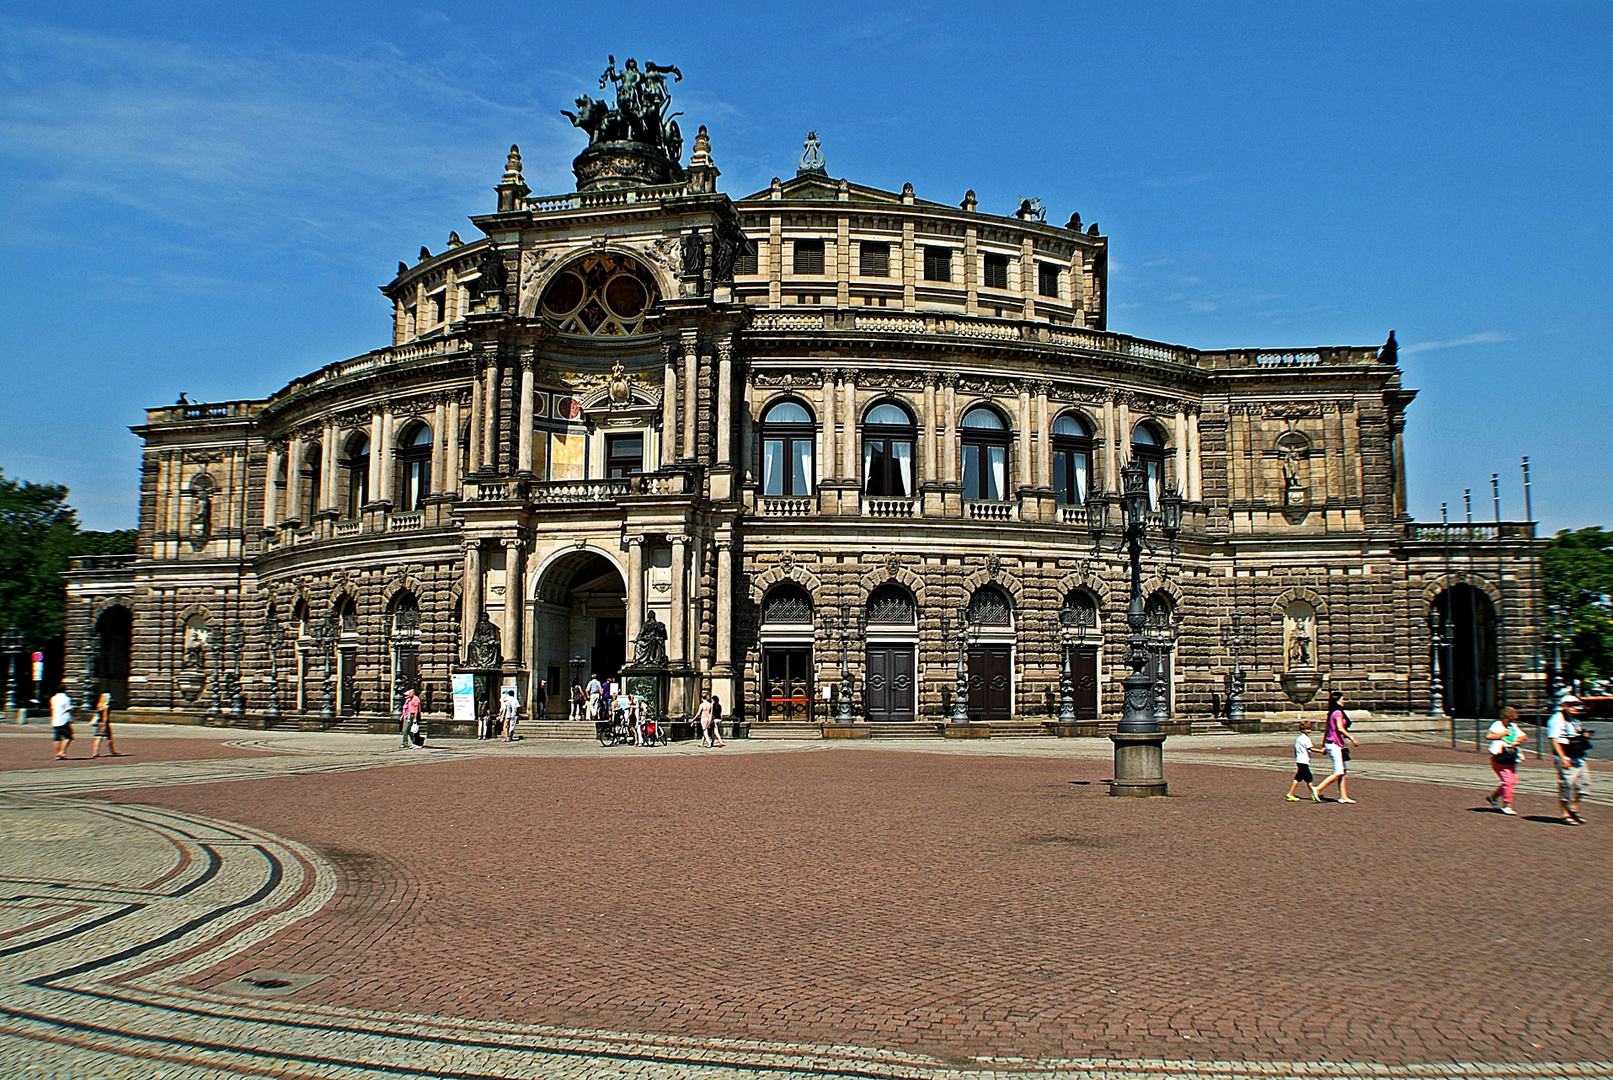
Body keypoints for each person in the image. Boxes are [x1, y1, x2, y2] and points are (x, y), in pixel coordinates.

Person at [1547, 695, 1592, 825]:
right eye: (1573, 705)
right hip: (1566, 756)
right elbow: (1553, 740)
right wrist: (1562, 758)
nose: (1577, 708)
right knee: (1566, 786)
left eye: (1578, 705)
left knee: (1585, 784)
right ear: (1565, 706)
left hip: (1578, 756)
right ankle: (1565, 814)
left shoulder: (1574, 720)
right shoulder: (1556, 720)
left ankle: (1573, 808)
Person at [1311, 690, 1360, 803]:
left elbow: (1327, 730)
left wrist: (1323, 745)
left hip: (1334, 744)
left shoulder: (1331, 713)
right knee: (1338, 772)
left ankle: (1343, 796)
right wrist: (1352, 738)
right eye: (1342, 699)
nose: (1344, 701)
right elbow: (1340, 728)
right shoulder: (1337, 713)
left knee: (1342, 771)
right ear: (1337, 701)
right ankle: (1318, 788)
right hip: (1334, 745)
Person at [1485, 706, 1528, 815]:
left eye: (1512, 720)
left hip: (1511, 756)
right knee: (1508, 781)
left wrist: (1517, 740)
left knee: (1512, 780)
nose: (1510, 722)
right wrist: (1503, 734)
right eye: (1508, 720)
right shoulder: (1497, 724)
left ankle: (1493, 797)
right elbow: (1489, 736)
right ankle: (1507, 804)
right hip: (1499, 756)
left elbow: (1524, 736)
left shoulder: (1513, 726)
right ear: (1504, 718)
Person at [1286, 720, 1315, 801]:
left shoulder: (1299, 738)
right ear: (1303, 730)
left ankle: (1313, 794)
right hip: (1303, 761)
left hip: (1300, 760)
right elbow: (1311, 748)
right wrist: (1321, 751)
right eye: (1307, 729)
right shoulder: (1306, 739)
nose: (1309, 730)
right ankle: (1290, 794)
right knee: (1298, 778)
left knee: (1309, 778)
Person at [90, 691, 121, 757]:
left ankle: (95, 752)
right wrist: (104, 725)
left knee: (98, 738)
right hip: (104, 723)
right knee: (109, 737)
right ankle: (112, 751)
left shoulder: (99, 706)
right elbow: (105, 716)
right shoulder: (106, 706)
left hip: (98, 722)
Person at [50, 684, 74, 760]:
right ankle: (62, 752)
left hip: (55, 719)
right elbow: (69, 709)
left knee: (56, 738)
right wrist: (75, 715)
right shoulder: (66, 698)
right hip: (64, 719)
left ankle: (57, 754)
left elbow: (52, 708)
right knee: (69, 736)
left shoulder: (53, 698)